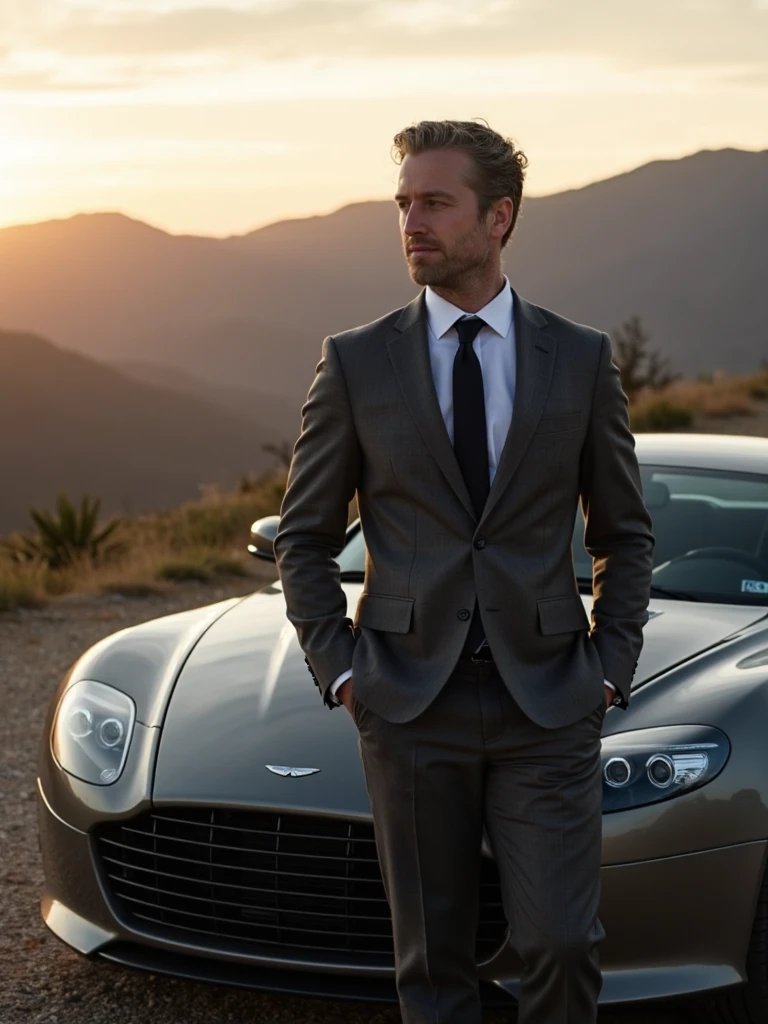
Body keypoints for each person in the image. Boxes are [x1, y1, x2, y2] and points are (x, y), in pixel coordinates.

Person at [273, 118, 655, 1024]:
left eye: (437, 203)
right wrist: (344, 672)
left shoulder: (580, 358)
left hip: (549, 702)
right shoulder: (356, 362)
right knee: (434, 964)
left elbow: (625, 533)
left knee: (562, 944)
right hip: (407, 704)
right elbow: (304, 537)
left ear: (499, 217)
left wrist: (609, 667)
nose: (413, 222)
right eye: (404, 203)